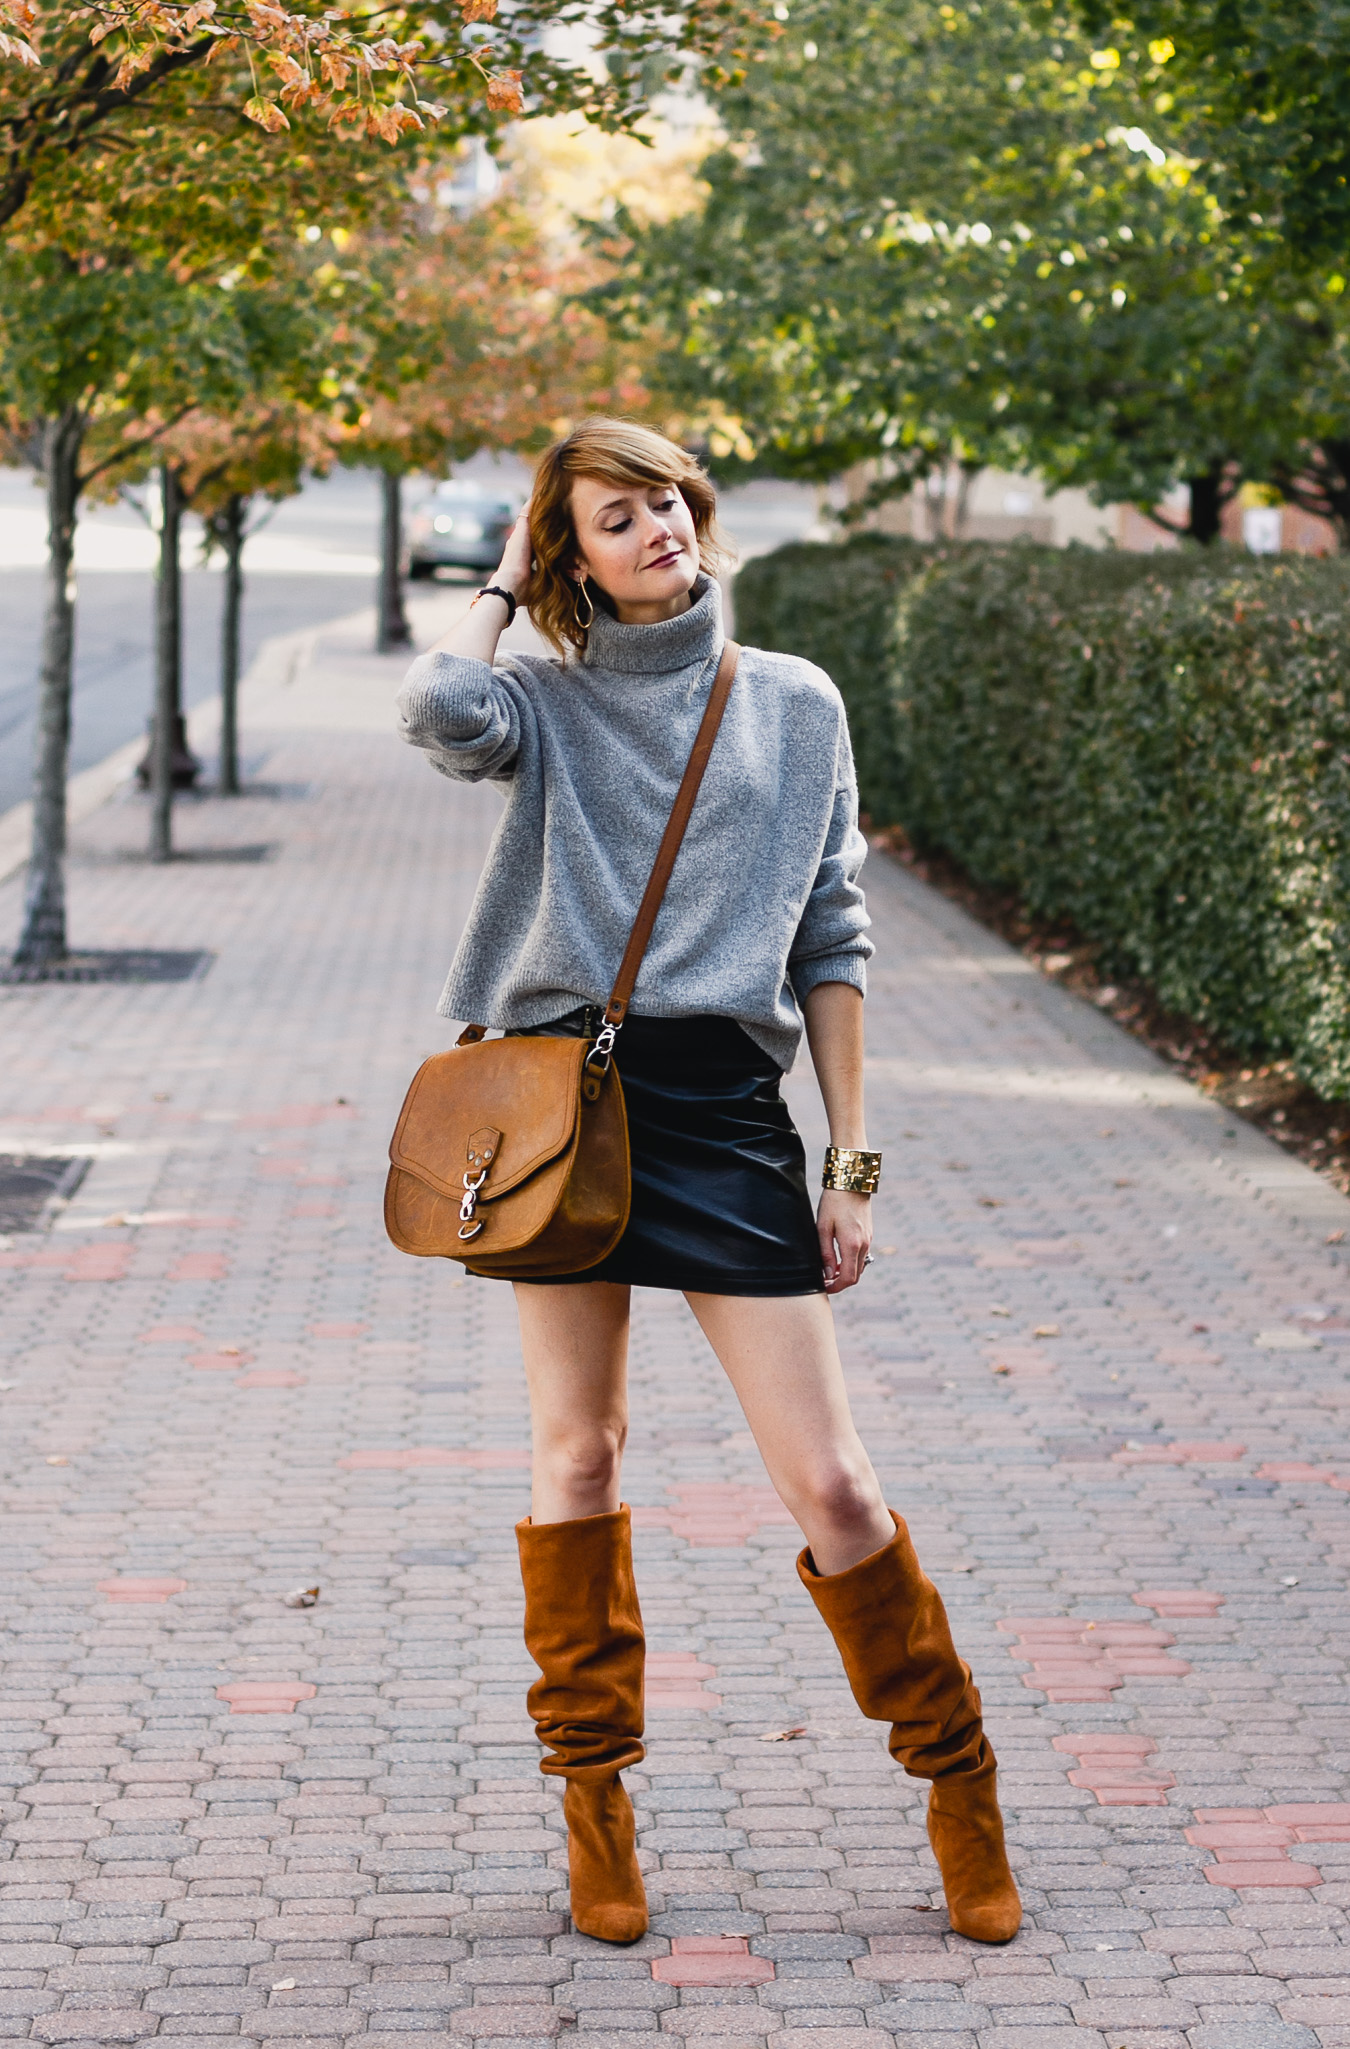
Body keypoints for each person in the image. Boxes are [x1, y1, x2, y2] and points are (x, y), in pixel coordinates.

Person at [396, 418, 1019, 1950]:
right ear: (573, 557)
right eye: (614, 515)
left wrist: (849, 1160)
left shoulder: (793, 703)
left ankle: (957, 1775)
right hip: (557, 1106)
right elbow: (435, 709)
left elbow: (830, 932)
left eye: (666, 499)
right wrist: (498, 584)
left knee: (832, 1483)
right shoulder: (536, 702)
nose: (657, 525)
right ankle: (593, 1797)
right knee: (582, 1455)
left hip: (725, 1115)